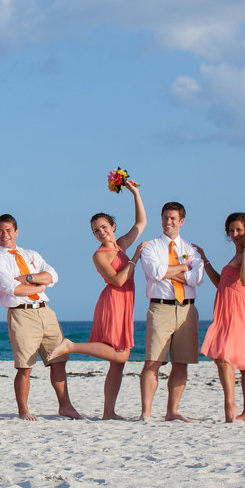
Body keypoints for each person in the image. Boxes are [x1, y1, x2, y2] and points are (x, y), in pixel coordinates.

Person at [47, 179, 146, 419]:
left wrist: (135, 193)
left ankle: (108, 412)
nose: (101, 232)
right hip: (113, 302)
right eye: (96, 230)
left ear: (113, 226)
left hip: (126, 304)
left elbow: (141, 223)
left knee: (118, 361)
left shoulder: (121, 245)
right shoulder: (99, 255)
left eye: (103, 227)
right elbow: (118, 280)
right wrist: (134, 258)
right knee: (121, 353)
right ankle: (71, 345)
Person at [0, 214, 82, 420]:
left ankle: (65, 406)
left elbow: (53, 276)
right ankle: (23, 410)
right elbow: (14, 289)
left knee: (58, 360)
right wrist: (39, 284)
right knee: (25, 366)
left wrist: (29, 278)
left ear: (16, 232)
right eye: (1, 231)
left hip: (45, 311)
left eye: (9, 230)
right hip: (21, 314)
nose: (5, 234)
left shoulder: (31, 254)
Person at [137, 201, 205, 422]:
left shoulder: (191, 250)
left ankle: (172, 411)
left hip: (187, 310)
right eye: (165, 217)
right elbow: (155, 272)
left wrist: (171, 271)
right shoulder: (151, 247)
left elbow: (198, 279)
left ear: (181, 221)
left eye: (173, 218)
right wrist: (185, 268)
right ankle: (145, 413)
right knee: (153, 361)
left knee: (181, 363)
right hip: (161, 307)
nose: (168, 222)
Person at [198, 212, 245, 423]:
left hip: (240, 311)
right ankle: (238, 408)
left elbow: (244, 279)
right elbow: (221, 283)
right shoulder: (235, 256)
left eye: (239, 230)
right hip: (226, 310)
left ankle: (240, 408)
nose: (234, 234)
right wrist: (205, 260)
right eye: (231, 231)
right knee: (226, 358)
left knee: (237, 361)